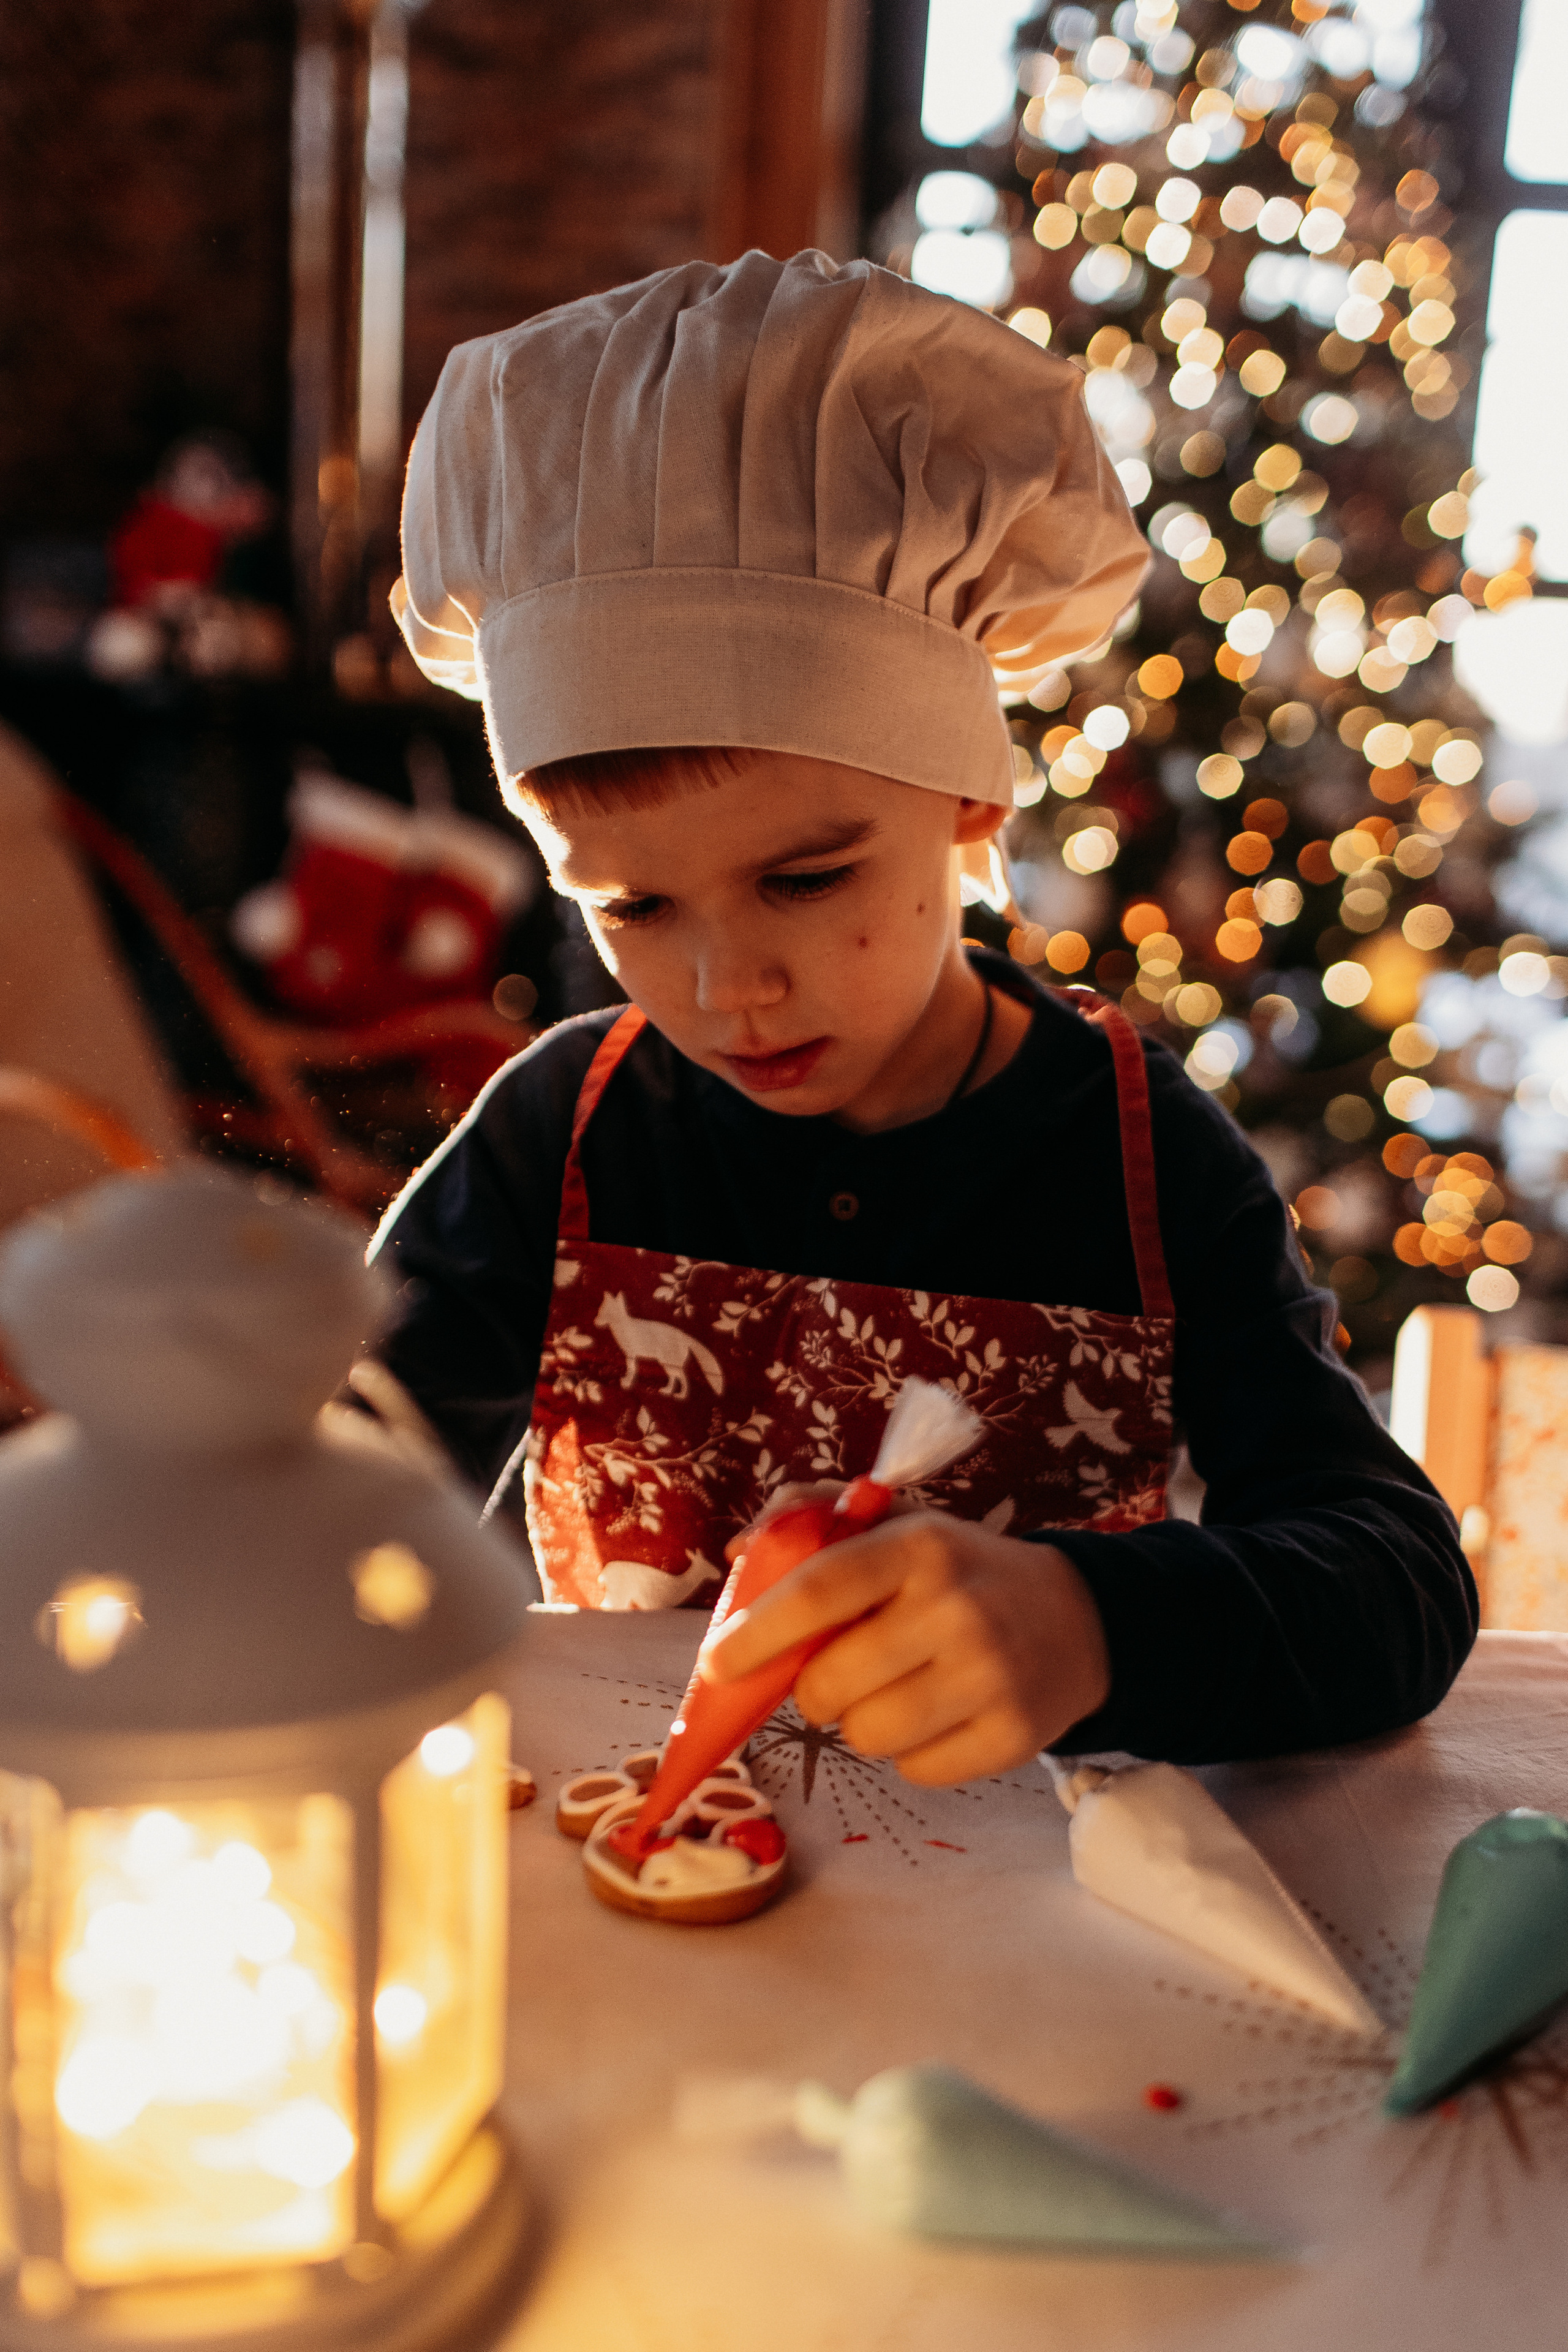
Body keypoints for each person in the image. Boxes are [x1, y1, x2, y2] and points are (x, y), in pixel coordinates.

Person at [371, 249, 1476, 1781]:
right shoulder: (562, 1137)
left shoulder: (1138, 1158)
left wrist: (1089, 1626)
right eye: (629, 908)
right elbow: (349, 1471)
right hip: (629, 1912)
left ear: (968, 797)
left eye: (807, 879)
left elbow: (1396, 1584)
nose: (724, 988)